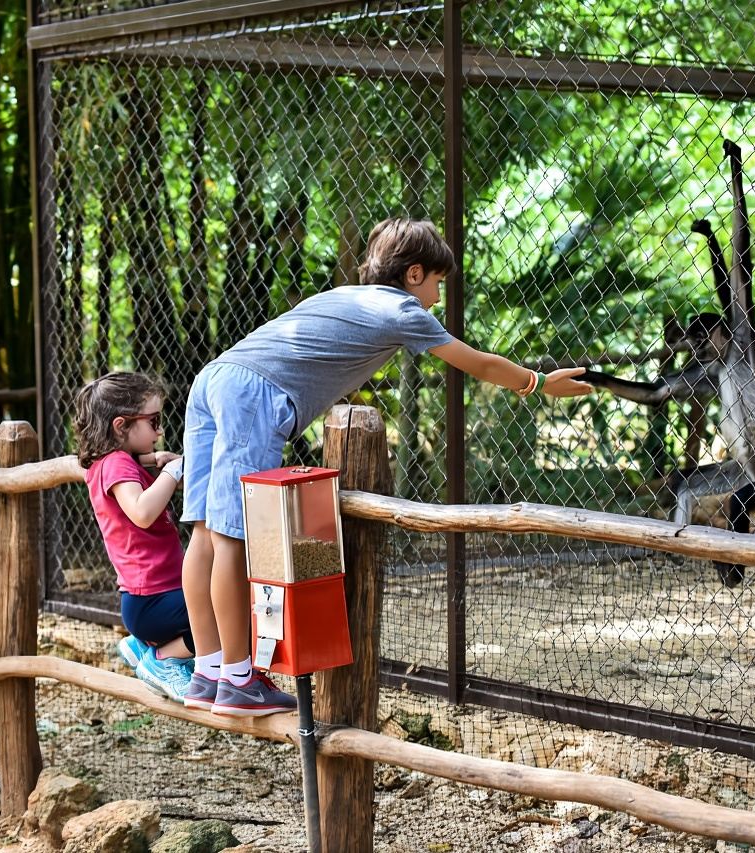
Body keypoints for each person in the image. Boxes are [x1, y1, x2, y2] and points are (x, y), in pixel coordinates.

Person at [181, 217, 593, 716]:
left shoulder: (342, 297)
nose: (438, 298)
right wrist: (539, 382)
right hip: (254, 393)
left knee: (205, 530)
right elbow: (478, 363)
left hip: (215, 378)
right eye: (438, 283)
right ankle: (239, 681)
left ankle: (207, 672)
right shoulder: (401, 309)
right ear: (414, 273)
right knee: (231, 535)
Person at [73, 372, 195, 700]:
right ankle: (163, 658)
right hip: (151, 601)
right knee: (232, 611)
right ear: (121, 426)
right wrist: (171, 472)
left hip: (151, 600)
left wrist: (156, 463)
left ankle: (146, 648)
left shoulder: (114, 462)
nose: (160, 430)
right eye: (153, 421)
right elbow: (141, 511)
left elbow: (138, 476)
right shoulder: (116, 466)